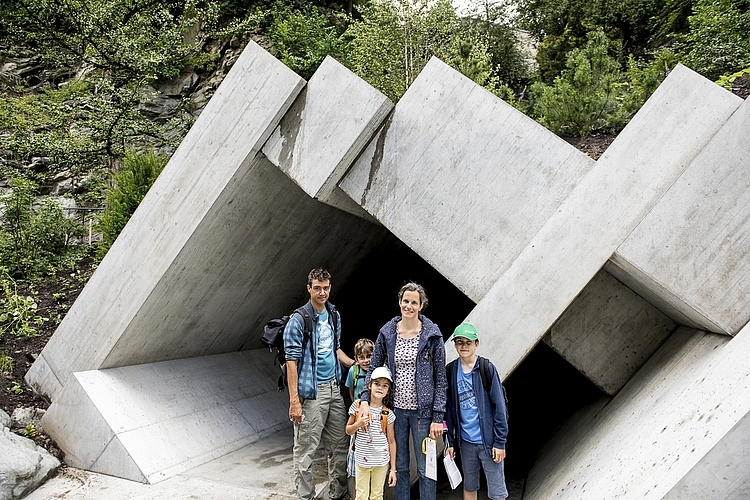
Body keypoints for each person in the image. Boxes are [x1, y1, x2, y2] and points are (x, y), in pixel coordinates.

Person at [358, 282, 447, 500]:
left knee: (426, 470)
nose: (409, 306)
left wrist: (438, 416)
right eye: (405, 301)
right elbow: (374, 368)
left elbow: (441, 379)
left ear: (421, 305)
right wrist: (364, 400)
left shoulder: (432, 336)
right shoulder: (387, 333)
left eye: (414, 302)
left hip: (422, 415)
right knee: (401, 466)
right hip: (395, 411)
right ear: (399, 302)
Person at [285, 268, 355, 500]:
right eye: (317, 288)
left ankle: (337, 493)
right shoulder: (299, 320)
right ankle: (305, 496)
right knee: (306, 451)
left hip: (335, 388)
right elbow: (291, 363)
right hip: (311, 394)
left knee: (340, 445)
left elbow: (335, 349)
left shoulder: (333, 314)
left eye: (326, 288)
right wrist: (294, 401)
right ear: (309, 288)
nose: (322, 292)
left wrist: (355, 365)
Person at [444, 323, 509, 500]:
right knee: (469, 486)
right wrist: (450, 441)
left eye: (468, 342)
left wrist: (500, 442)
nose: (464, 346)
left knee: (497, 492)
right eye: (459, 342)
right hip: (466, 443)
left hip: (489, 442)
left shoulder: (486, 368)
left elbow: (500, 408)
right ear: (455, 345)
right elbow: (448, 410)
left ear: (476, 344)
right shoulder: (451, 370)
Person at [346, 366, 397, 500]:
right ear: (369, 385)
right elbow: (348, 430)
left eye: (385, 385)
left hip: (381, 462)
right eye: (376, 384)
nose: (380, 388)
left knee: (377, 495)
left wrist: (393, 469)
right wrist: (358, 424)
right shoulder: (357, 406)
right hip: (362, 460)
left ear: (388, 391)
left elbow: (391, 441)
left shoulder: (388, 414)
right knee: (361, 495)